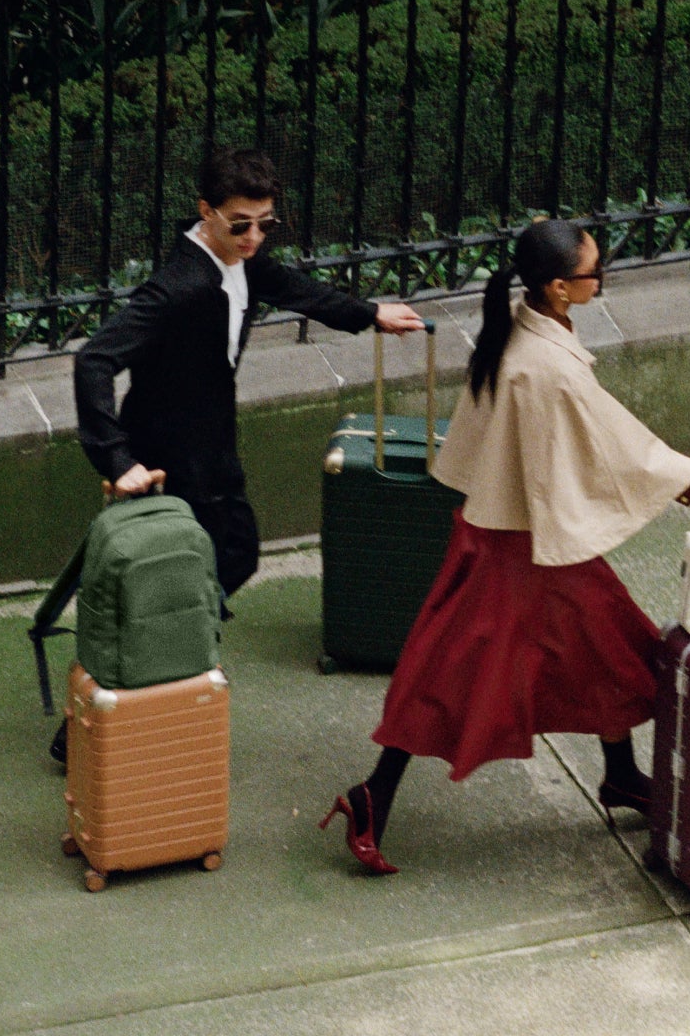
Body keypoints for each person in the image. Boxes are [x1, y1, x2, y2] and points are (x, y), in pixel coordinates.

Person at [322, 218, 690, 874]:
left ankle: (617, 775)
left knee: (601, 653)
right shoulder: (545, 366)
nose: (604, 277)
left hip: (519, 537)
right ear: (560, 288)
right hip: (517, 551)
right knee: (455, 679)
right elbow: (621, 445)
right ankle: (375, 795)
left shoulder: (522, 321)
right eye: (596, 271)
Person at [63, 148, 424, 759]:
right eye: (240, 224)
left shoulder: (242, 262)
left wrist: (369, 315)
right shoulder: (179, 285)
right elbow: (94, 360)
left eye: (266, 224)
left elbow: (294, 288)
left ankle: (172, 657)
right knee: (182, 571)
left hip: (212, 439)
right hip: (165, 453)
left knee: (233, 555)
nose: (255, 237)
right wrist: (117, 460)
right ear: (206, 212)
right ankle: (112, 709)